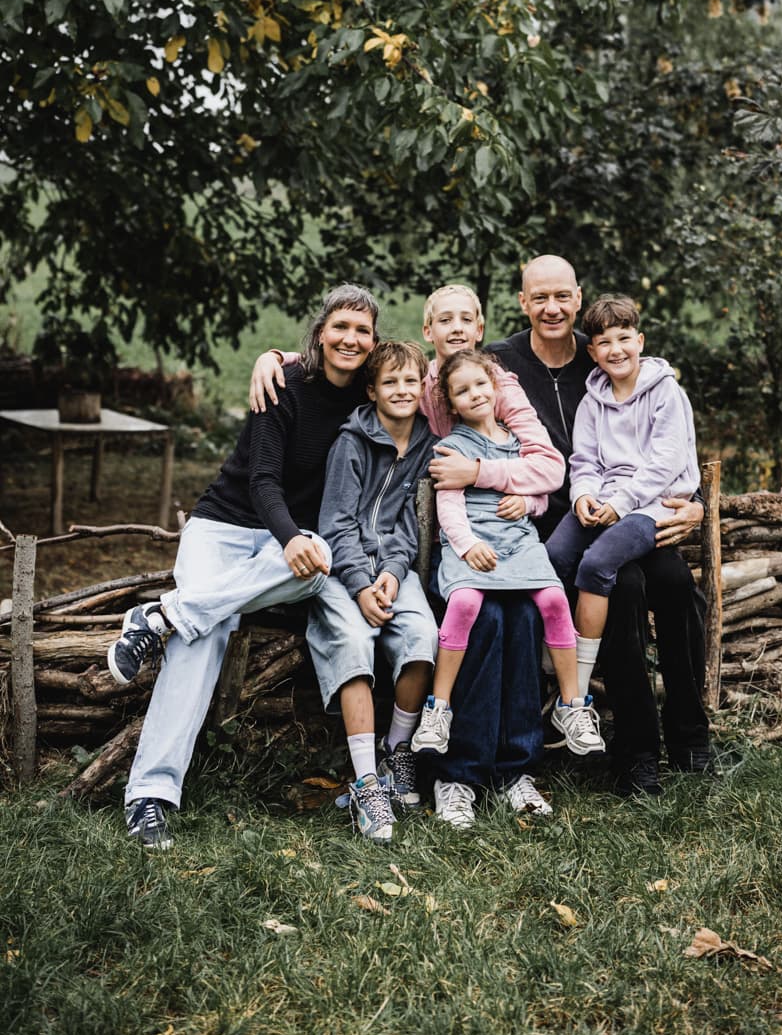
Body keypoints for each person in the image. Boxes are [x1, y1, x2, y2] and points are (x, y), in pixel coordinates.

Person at [249, 282, 571, 829]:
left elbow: (549, 465)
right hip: (447, 551)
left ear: (481, 329)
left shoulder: (498, 384)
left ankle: (514, 769)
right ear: (428, 331)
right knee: (478, 620)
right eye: (445, 319)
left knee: (521, 618)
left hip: (500, 547)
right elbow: (346, 367)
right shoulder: (413, 385)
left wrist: (490, 478)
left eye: (468, 319)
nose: (457, 328)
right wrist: (275, 356)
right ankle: (451, 774)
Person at [108, 285, 379, 849]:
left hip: (285, 546)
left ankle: (160, 616)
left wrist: (290, 544)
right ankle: (150, 796)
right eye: (340, 327)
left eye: (363, 330)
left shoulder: (368, 397)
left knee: (317, 556)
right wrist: (274, 358)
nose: (350, 339)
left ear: (373, 342)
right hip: (227, 526)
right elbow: (261, 482)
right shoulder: (283, 384)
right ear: (320, 332)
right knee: (203, 635)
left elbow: (429, 375)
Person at [486, 256, 710, 794]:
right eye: (539, 297)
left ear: (578, 298)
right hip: (558, 521)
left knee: (678, 585)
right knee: (624, 588)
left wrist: (696, 502)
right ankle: (636, 752)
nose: (552, 307)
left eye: (562, 296)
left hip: (635, 509)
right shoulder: (501, 363)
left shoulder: (626, 370)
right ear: (523, 302)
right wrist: (286, 359)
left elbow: (668, 454)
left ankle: (690, 732)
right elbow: (428, 376)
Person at [410, 350, 604, 770]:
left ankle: (572, 704)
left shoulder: (519, 445)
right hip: (475, 544)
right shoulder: (451, 447)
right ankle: (438, 708)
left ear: (496, 388)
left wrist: (530, 503)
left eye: (481, 385)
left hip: (518, 543)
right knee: (464, 604)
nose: (474, 394)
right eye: (462, 391)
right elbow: (449, 507)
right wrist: (464, 546)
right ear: (450, 402)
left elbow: (543, 492)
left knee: (554, 601)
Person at [306, 340, 439, 842]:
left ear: (424, 387)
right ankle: (365, 782)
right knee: (355, 644)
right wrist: (362, 585)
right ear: (372, 390)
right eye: (390, 382)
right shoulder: (351, 442)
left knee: (425, 637)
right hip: (341, 570)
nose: (402, 390)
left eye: (411, 381)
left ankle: (396, 751)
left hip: (391, 571)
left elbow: (406, 523)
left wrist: (395, 571)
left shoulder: (424, 440)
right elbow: (336, 524)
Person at [545, 295, 701, 710]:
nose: (616, 350)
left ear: (640, 340)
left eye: (624, 338)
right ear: (592, 352)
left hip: (654, 504)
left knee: (597, 564)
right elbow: (585, 460)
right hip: (606, 499)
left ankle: (574, 690)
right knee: (553, 556)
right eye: (605, 342)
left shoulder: (666, 392)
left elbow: (666, 463)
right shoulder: (593, 399)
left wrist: (622, 501)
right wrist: (583, 495)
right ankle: (548, 657)